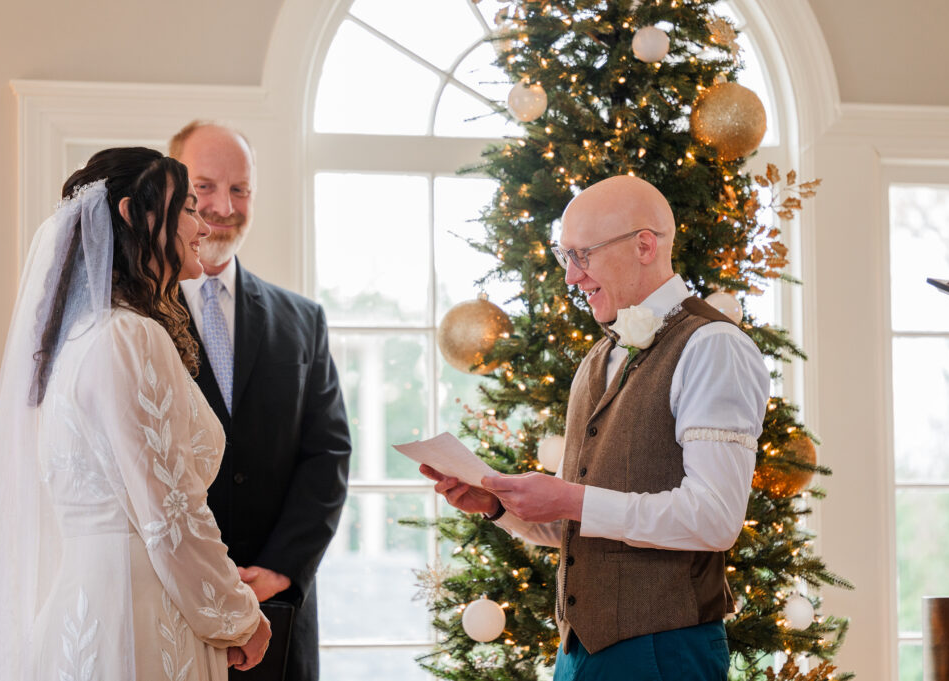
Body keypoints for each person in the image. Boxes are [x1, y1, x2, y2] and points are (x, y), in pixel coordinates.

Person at [423, 175, 770, 680]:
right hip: (578, 655)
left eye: (581, 255)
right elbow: (585, 523)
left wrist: (569, 499)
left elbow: (715, 518)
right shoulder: (597, 358)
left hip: (664, 655)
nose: (571, 277)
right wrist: (498, 505)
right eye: (565, 258)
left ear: (645, 245)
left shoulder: (713, 346)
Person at [0, 147, 272, 680]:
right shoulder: (130, 336)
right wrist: (241, 617)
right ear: (135, 214)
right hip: (140, 620)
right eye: (188, 210)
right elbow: (171, 515)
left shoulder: (79, 339)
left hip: (86, 610)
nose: (202, 228)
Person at [169, 121, 351, 681]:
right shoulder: (133, 319)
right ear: (172, 191)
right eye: (204, 187)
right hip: (173, 605)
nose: (224, 206)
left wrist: (278, 568)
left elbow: (328, 454)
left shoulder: (302, 319)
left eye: (240, 189)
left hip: (278, 610)